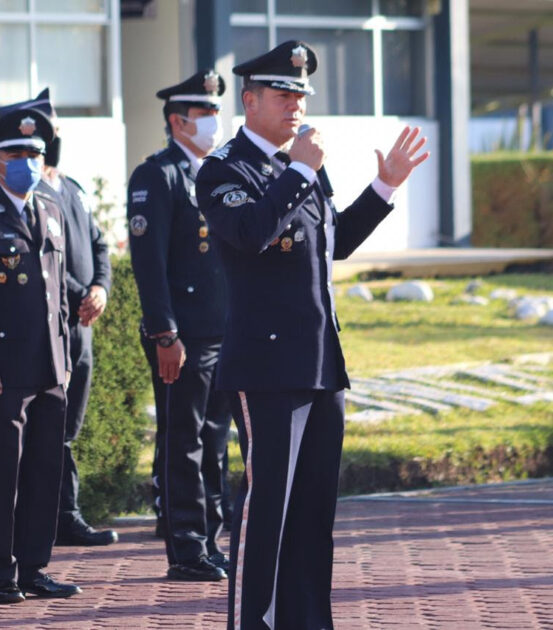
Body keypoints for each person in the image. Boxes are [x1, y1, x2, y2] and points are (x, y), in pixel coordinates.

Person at [195, 41, 430, 629]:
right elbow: (248, 231)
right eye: (283, 93)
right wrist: (301, 168)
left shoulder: (298, 167)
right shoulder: (225, 168)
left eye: (301, 94)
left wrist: (383, 187)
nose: (296, 104)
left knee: (312, 510)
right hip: (267, 368)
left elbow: (335, 243)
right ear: (249, 101)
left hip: (321, 362)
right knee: (266, 508)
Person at [0, 106, 81, 604]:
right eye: (16, 153)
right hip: (5, 373)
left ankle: (33, 566)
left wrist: (64, 362)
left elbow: (57, 296)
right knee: (5, 471)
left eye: (33, 153)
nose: (25, 160)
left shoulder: (50, 210)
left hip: (50, 368)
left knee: (45, 470)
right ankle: (0, 570)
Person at [0, 89, 118, 547]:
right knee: (45, 432)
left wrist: (100, 288)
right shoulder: (31, 195)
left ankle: (61, 515)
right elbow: (42, 264)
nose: (56, 136)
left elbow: (100, 244)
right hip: (51, 326)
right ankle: (54, 519)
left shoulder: (72, 189)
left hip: (80, 325)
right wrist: (80, 294)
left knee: (66, 430)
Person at [126, 70, 233, 582]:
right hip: (182, 337)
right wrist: (165, 334)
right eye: (204, 114)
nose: (214, 121)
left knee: (214, 439)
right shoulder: (158, 175)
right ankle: (186, 546)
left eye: (216, 112)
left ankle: (210, 537)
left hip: (221, 331)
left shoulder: (215, 170)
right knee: (183, 439)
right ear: (177, 121)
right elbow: (149, 265)